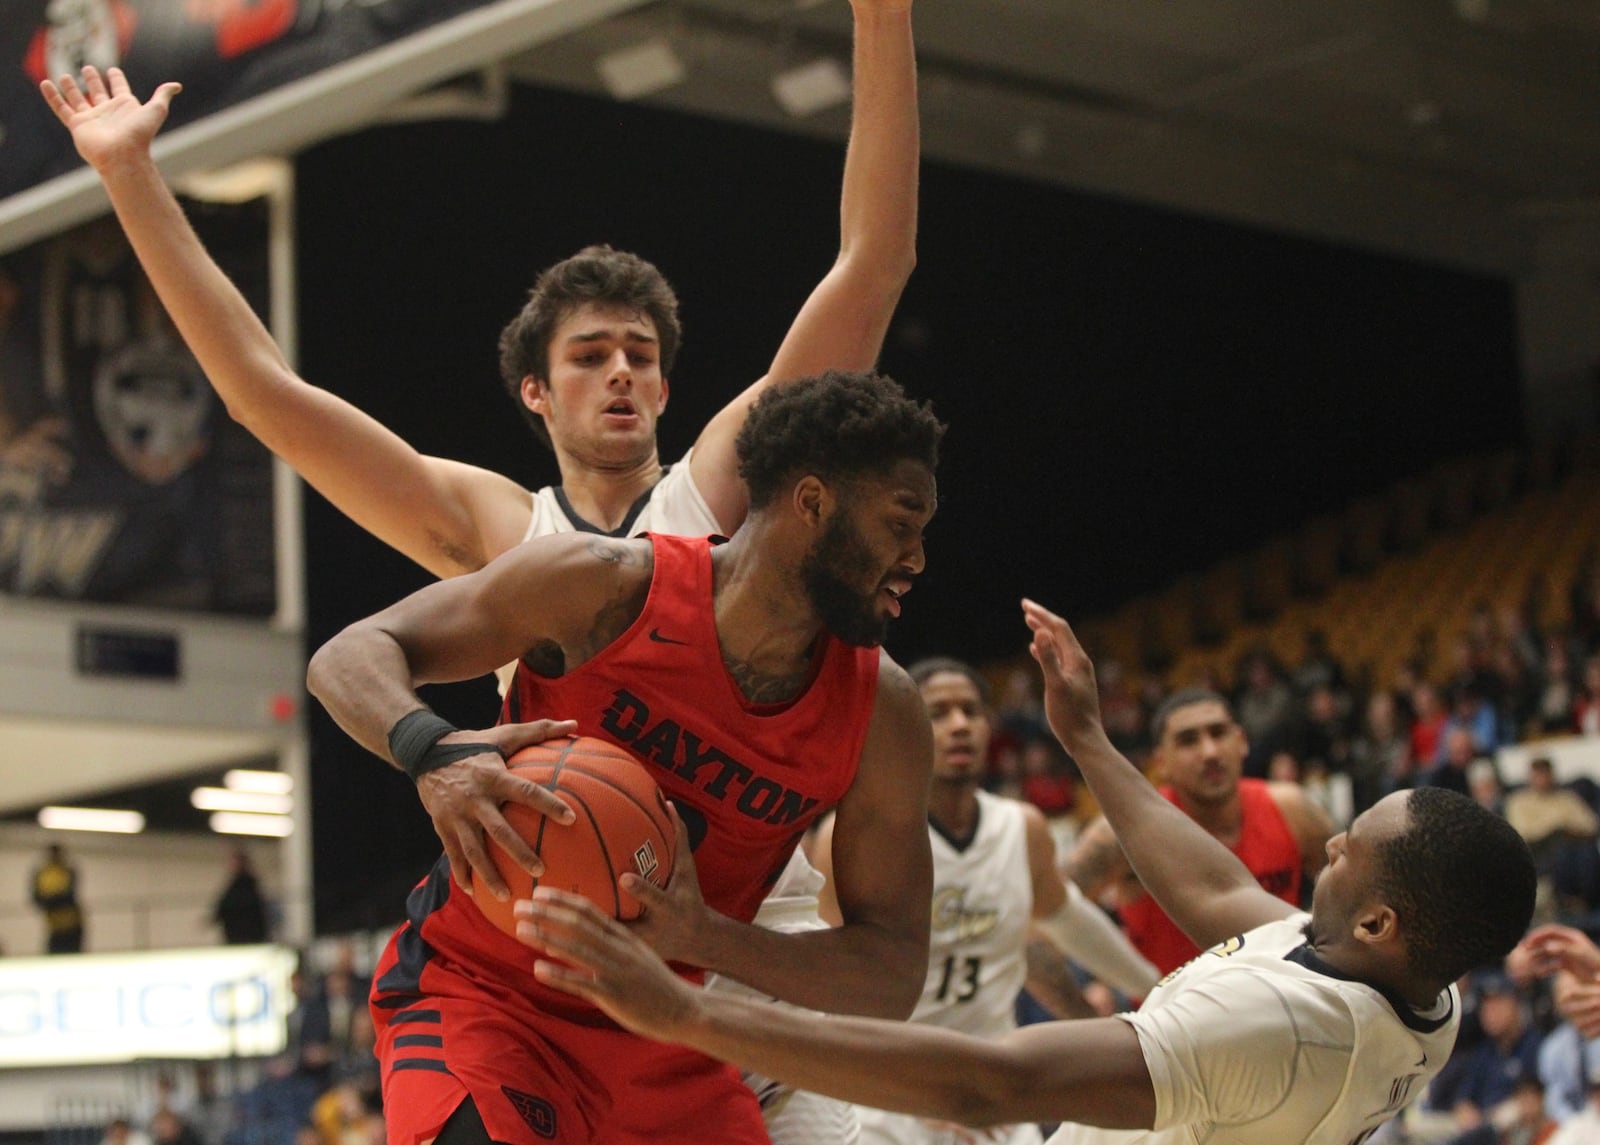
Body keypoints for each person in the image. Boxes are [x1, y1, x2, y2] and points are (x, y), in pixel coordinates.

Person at [42, 5, 917, 1135]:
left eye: (642, 358)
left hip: (749, 949)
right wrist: (131, 181)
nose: (620, 375)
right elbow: (266, 393)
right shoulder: (507, 533)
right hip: (561, 936)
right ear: (535, 394)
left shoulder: (723, 494)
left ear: (667, 386)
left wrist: (881, 17)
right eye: (589, 355)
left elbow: (871, 263)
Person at [514, 598, 1539, 1145]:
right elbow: (1223, 894)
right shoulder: (1426, 988)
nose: (1327, 845)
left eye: (1349, 850)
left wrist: (683, 1007)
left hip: (966, 1082)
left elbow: (988, 1081)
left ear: (1379, 921)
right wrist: (1090, 739)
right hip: (940, 1081)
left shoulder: (1275, 1024)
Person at [304, 371, 943, 1144]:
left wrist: (703, 936)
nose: (916, 557)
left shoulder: (884, 714)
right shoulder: (602, 588)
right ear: (813, 504)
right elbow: (350, 655)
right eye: (901, 523)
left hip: (669, 1031)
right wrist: (432, 750)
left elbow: (893, 971)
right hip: (489, 996)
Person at [807, 656, 1159, 1145]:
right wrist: (905, 1084)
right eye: (939, 712)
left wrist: (1157, 987)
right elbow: (825, 980)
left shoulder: (1021, 827)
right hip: (890, 1093)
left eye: (971, 711)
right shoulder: (853, 833)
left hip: (996, 1084)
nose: (959, 726)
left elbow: (1070, 920)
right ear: (905, 725)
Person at [1065, 686, 1334, 975]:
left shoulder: (1293, 809)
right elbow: (1041, 920)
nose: (1209, 752)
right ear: (1161, 763)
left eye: (1218, 733)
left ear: (1241, 741)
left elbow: (1354, 905)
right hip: (1171, 1016)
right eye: (1188, 741)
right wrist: (1094, 994)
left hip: (1285, 1006)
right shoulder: (1125, 833)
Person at [30, 841, 84, 953]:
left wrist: (50, 899)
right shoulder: (41, 874)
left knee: (72, 955)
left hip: (72, 922)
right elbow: (36, 898)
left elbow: (68, 895)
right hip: (54, 925)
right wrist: (52, 900)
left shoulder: (68, 871)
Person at [212, 846, 270, 945]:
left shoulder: (245, 885)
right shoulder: (241, 884)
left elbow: (229, 905)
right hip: (242, 935)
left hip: (243, 935)